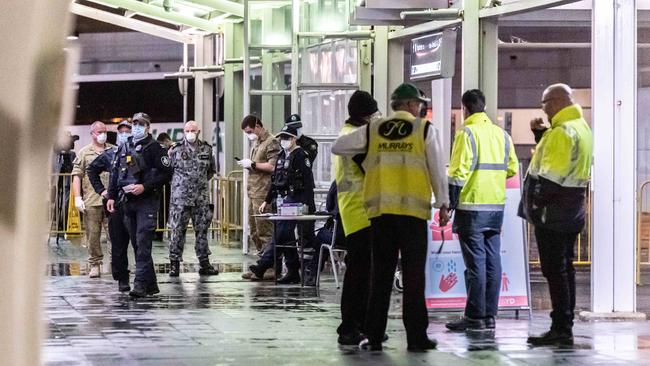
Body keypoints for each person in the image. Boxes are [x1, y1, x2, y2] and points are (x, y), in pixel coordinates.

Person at [332, 83, 450, 352]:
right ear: (410, 105)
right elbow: (436, 170)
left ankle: (373, 336)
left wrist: (369, 152)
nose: (420, 107)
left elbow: (338, 147)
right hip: (413, 215)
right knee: (413, 278)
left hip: (381, 216)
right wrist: (443, 204)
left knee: (381, 278)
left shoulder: (374, 130)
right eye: (419, 104)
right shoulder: (424, 130)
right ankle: (416, 337)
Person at [519, 84, 593, 346]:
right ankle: (564, 324)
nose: (543, 109)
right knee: (565, 269)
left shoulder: (563, 132)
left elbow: (552, 176)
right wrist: (540, 135)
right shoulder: (580, 127)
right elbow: (563, 161)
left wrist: (535, 204)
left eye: (545, 103)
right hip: (572, 210)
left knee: (555, 270)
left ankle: (560, 327)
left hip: (554, 213)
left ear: (558, 102)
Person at [444, 89, 519, 332]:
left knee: (475, 264)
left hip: (471, 208)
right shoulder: (502, 134)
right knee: (492, 262)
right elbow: (511, 170)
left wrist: (449, 205)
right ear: (484, 106)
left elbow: (457, 174)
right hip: (495, 208)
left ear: (465, 108)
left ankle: (475, 317)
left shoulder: (466, 133)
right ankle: (489, 316)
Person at [332, 90, 381, 345]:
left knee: (362, 273)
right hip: (362, 213)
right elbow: (375, 169)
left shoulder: (348, 134)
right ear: (367, 115)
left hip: (354, 212)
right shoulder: (357, 138)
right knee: (360, 275)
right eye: (375, 114)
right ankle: (350, 327)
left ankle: (360, 325)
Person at [106, 112, 173, 298]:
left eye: (140, 124)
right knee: (137, 244)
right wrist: (111, 196)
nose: (136, 127)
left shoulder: (155, 148)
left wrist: (144, 186)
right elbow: (115, 173)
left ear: (148, 127)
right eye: (134, 123)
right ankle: (151, 285)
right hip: (128, 202)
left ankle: (140, 285)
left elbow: (167, 173)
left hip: (147, 201)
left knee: (143, 242)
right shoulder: (124, 146)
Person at [247, 123, 316, 284]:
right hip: (284, 201)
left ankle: (263, 265)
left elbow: (307, 183)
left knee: (281, 233)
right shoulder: (283, 156)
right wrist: (267, 200)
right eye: (282, 138)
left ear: (294, 139)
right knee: (286, 235)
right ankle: (292, 271)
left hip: (298, 202)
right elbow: (276, 181)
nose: (283, 141)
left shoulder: (301, 156)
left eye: (286, 138)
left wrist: (305, 207)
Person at [167, 120, 219, 277]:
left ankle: (204, 263)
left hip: (200, 199)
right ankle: (174, 264)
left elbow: (211, 171)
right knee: (177, 231)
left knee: (202, 231)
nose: (190, 132)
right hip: (180, 199)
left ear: (198, 131)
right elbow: (168, 170)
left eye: (193, 130)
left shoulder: (207, 149)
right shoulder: (175, 150)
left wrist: (198, 184)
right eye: (187, 130)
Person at [87, 120, 134, 292]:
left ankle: (144, 278)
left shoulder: (141, 151)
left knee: (139, 242)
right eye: (121, 131)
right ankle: (122, 277)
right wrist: (103, 192)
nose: (124, 134)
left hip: (138, 204)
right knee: (118, 243)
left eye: (128, 130)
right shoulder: (112, 154)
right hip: (117, 204)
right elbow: (91, 170)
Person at [71, 121, 112, 278]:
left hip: (110, 200)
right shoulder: (84, 153)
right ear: (92, 133)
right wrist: (77, 198)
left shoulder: (113, 150)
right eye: (99, 131)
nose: (102, 134)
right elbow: (77, 176)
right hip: (92, 200)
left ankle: (116, 262)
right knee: (93, 235)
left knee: (114, 235)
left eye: (104, 131)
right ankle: (95, 263)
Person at [237, 115, 281, 258]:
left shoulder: (271, 142)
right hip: (254, 192)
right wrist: (249, 165)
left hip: (264, 193)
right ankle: (262, 261)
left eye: (250, 131)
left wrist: (253, 164)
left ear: (257, 126)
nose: (249, 135)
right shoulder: (257, 142)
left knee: (265, 230)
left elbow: (273, 166)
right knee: (254, 230)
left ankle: (270, 266)